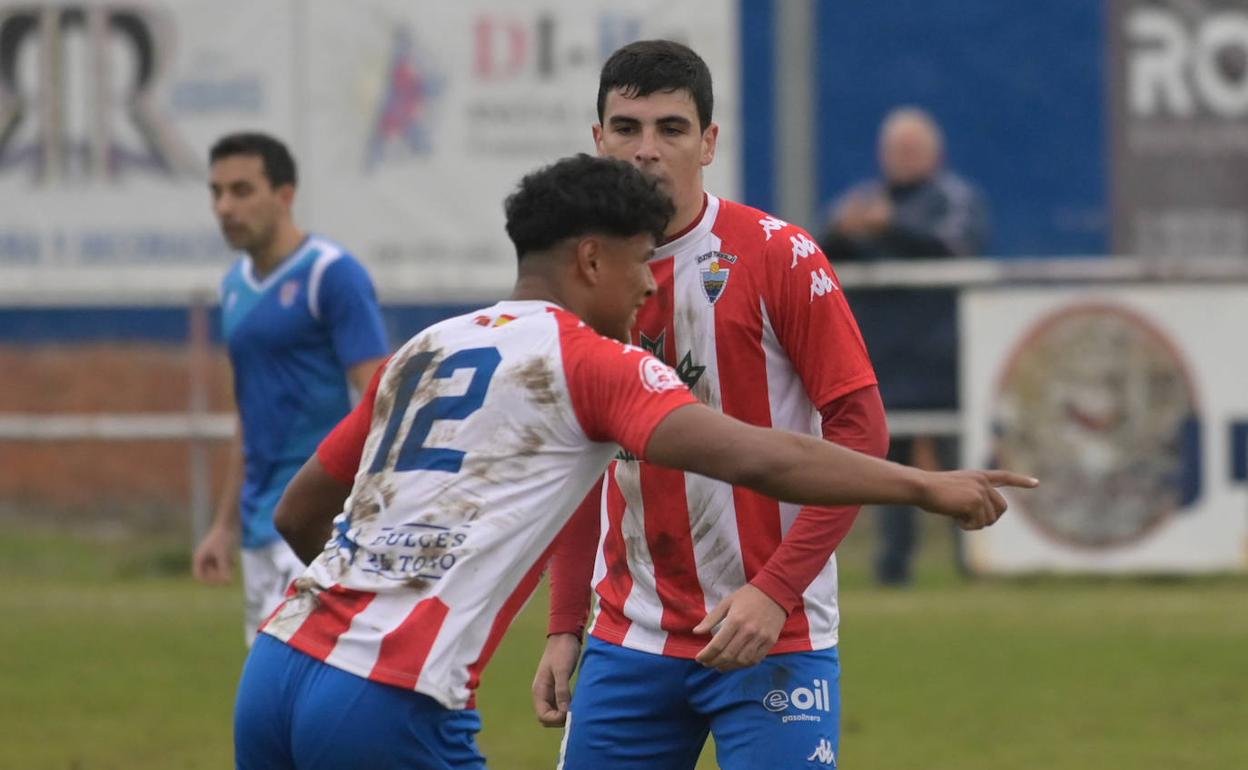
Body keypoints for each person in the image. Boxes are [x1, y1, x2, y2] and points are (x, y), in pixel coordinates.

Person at [232, 153, 1034, 770]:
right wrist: (924, 485)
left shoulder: (427, 347)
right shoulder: (593, 364)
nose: (651, 285)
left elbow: (299, 512)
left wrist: (384, 590)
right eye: (641, 261)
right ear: (590, 261)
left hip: (276, 667)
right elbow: (762, 458)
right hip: (389, 698)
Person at [531, 41, 907, 770]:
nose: (646, 149)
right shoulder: (578, 278)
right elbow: (579, 458)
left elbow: (861, 433)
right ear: (598, 140)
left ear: (708, 142)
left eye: (670, 129)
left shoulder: (778, 255)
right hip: (630, 636)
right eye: (627, 128)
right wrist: (564, 622)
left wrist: (776, 591)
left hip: (774, 632)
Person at [192, 132, 389, 646]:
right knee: (272, 688)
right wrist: (224, 525)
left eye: (241, 190)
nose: (225, 207)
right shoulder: (234, 285)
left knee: (291, 683)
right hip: (259, 530)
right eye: (217, 192)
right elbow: (250, 412)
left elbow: (384, 401)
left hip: (314, 524)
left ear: (285, 194)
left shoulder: (331, 275)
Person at [819, 107, 990, 586]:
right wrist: (845, 231)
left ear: (935, 153)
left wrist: (889, 227)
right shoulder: (861, 202)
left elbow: (957, 247)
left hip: (945, 361)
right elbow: (818, 252)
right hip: (886, 364)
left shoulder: (954, 200)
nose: (903, 157)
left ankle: (977, 560)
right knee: (891, 472)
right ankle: (893, 570)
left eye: (912, 149)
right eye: (895, 149)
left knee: (960, 464)